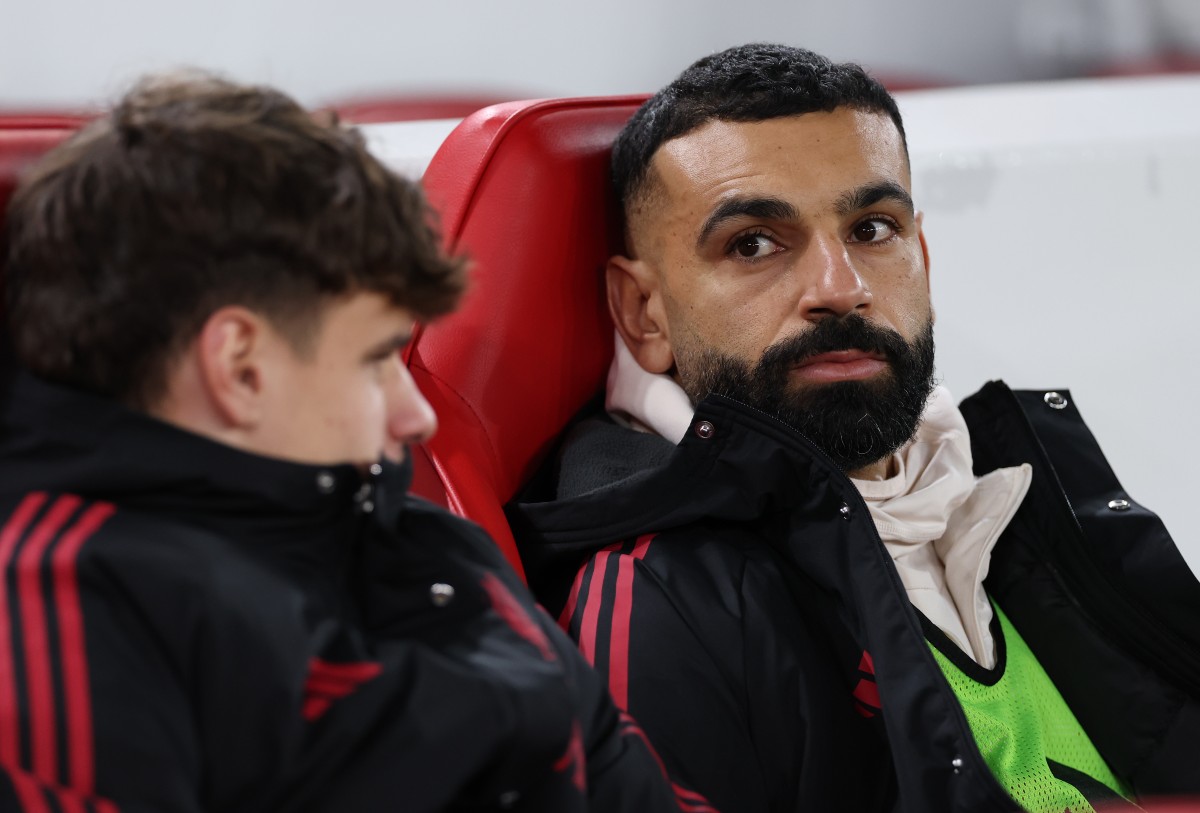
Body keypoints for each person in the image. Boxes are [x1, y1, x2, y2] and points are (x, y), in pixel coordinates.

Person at [507, 43, 1200, 813]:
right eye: (753, 243)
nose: (842, 288)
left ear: (922, 256)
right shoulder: (667, 604)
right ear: (644, 312)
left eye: (872, 228)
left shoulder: (988, 485)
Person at [0, 72, 683, 812]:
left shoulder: (429, 542)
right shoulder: (60, 602)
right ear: (240, 366)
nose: (416, 416)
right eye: (374, 359)